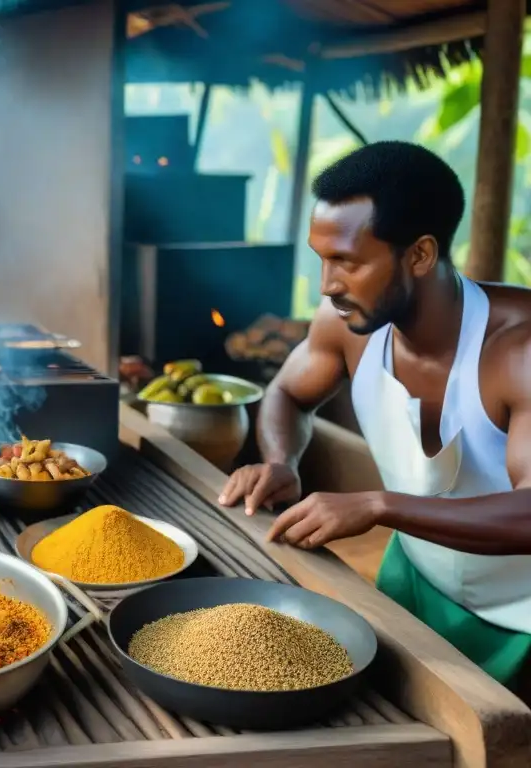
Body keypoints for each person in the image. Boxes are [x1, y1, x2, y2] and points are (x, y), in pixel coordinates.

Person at [218, 141, 531, 700]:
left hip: (521, 621)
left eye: (348, 261)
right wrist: (279, 461)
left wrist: (379, 505)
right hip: (411, 580)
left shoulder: (519, 351)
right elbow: (287, 393)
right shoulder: (345, 322)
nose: (327, 284)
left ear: (420, 254)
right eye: (321, 259)